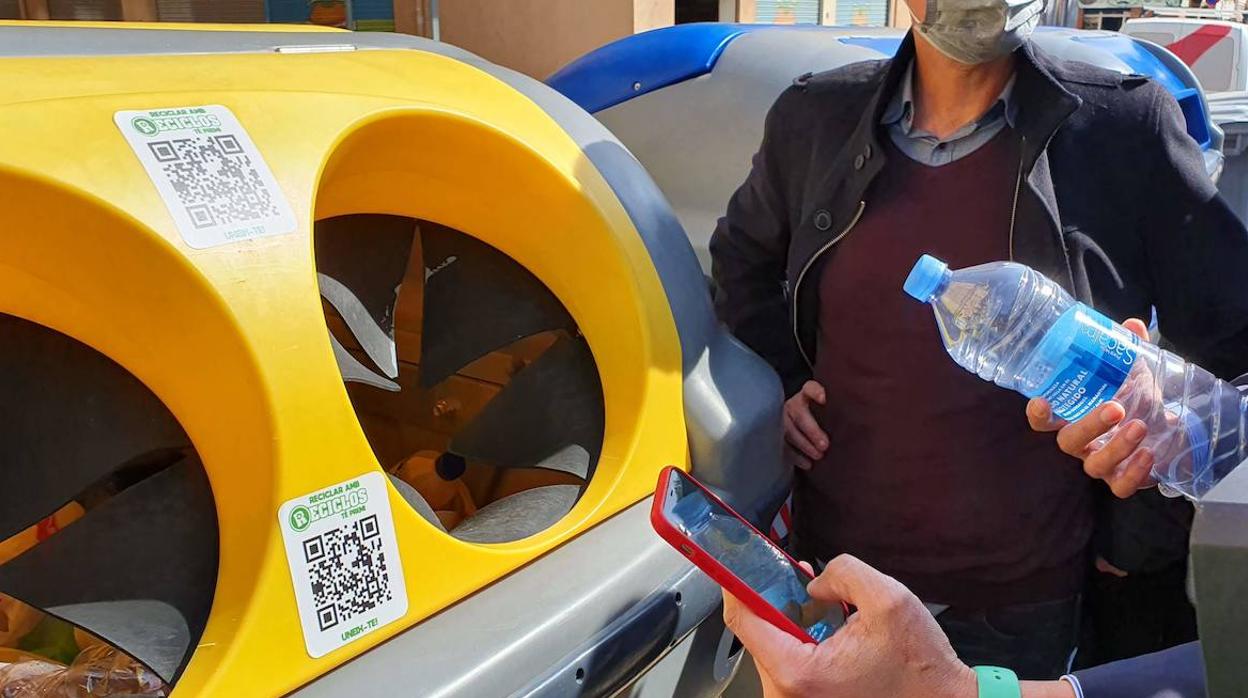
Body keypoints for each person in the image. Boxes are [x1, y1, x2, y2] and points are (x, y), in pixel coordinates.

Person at [709, 0, 1248, 675]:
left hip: (1021, 604)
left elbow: (1230, 350)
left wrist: (1140, 535)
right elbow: (742, 265)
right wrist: (780, 384)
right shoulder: (815, 118)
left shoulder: (1122, 126)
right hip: (837, 576)